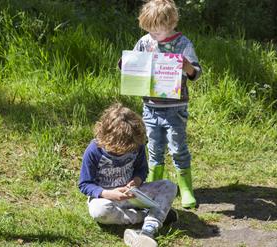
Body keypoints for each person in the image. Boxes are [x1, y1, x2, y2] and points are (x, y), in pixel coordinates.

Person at [130, 0, 202, 208]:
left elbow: (196, 73)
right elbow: (134, 65)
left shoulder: (183, 43)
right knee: (154, 148)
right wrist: (126, 64)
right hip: (150, 107)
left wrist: (187, 66)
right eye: (149, 29)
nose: (154, 34)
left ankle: (186, 188)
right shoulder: (145, 41)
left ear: (171, 24)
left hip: (175, 109)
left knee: (178, 148)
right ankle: (154, 185)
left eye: (158, 29)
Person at [79, 103, 178, 247]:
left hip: (134, 195)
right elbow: (84, 184)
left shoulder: (136, 145)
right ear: (106, 138)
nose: (125, 153)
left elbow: (142, 170)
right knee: (98, 212)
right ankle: (148, 216)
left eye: (128, 150)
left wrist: (136, 181)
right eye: (120, 151)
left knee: (169, 186)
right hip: (107, 199)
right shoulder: (94, 150)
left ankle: (148, 230)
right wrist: (108, 194)